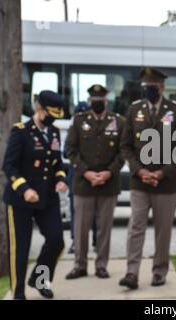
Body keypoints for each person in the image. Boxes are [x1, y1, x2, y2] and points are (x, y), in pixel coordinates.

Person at [119, 67, 176, 289]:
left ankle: (159, 271)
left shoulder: (175, 111)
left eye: (153, 87)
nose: (149, 90)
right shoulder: (134, 110)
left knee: (163, 230)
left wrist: (161, 172)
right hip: (140, 182)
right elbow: (125, 146)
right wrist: (140, 171)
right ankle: (131, 273)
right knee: (136, 226)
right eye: (146, 87)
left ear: (162, 87)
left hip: (166, 183)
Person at [3, 90, 68, 300]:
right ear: (39, 109)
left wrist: (60, 179)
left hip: (47, 197)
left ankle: (39, 279)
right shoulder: (20, 131)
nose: (52, 120)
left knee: (56, 240)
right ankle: (18, 293)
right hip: (21, 199)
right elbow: (9, 166)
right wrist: (25, 189)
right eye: (50, 115)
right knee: (21, 247)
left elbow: (57, 163)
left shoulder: (54, 132)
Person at [65, 84, 125, 280]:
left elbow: (123, 151)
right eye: (94, 100)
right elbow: (71, 151)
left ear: (106, 101)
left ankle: (101, 265)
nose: (98, 103)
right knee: (81, 228)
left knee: (104, 228)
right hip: (84, 184)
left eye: (101, 100)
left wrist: (109, 172)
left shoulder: (118, 121)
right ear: (90, 101)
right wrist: (86, 172)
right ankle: (79, 265)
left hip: (108, 184)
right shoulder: (79, 121)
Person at [65, 101, 97, 254]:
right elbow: (66, 152)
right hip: (77, 174)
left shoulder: (95, 128)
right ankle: (75, 242)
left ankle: (96, 241)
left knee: (96, 210)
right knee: (75, 210)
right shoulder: (73, 129)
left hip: (94, 173)